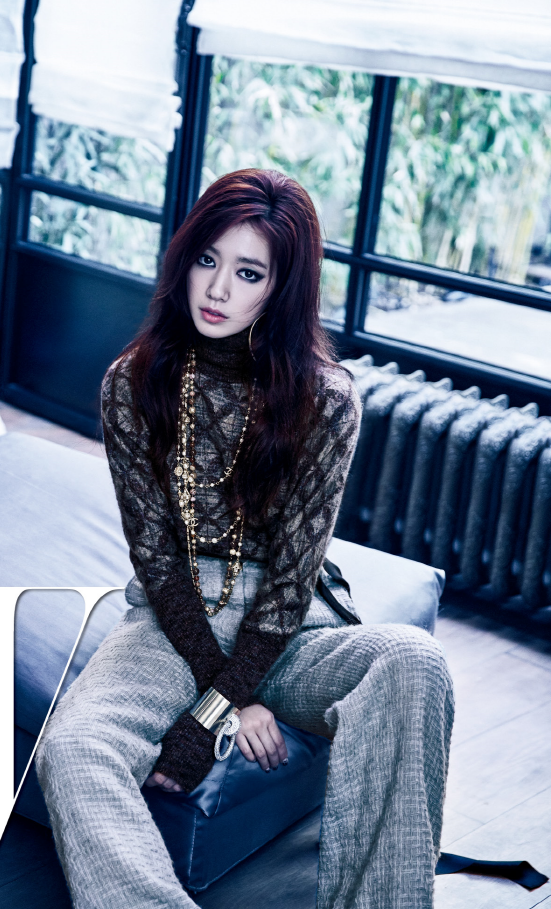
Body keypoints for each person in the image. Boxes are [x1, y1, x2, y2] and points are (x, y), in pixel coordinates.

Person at [35, 168, 454, 909]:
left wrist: (219, 708)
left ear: (282, 286)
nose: (218, 288)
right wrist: (226, 701)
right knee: (74, 744)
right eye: (207, 259)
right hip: (175, 622)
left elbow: (291, 583)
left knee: (413, 659)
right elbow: (157, 563)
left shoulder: (327, 399)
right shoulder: (131, 384)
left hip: (291, 628)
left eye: (248, 271)